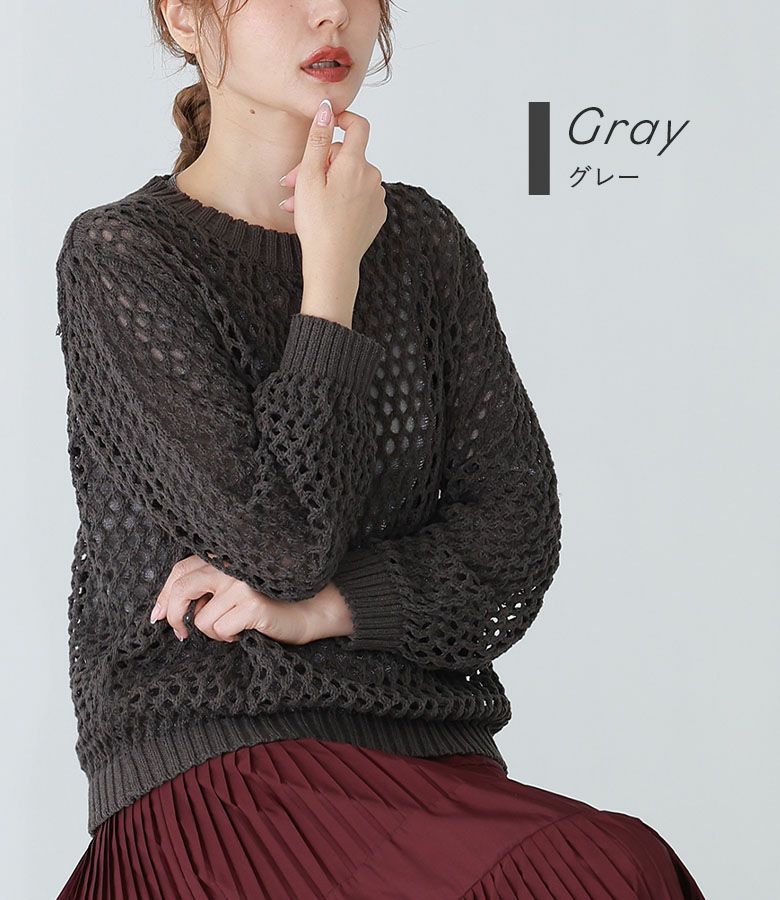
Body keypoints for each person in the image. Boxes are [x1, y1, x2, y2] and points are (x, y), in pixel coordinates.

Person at [55, 1, 706, 897]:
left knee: (615, 866)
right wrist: (331, 276)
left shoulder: (425, 245)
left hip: (429, 753)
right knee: (599, 871)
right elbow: (281, 542)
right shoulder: (126, 259)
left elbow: (514, 537)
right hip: (226, 772)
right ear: (182, 16)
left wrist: (329, 608)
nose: (332, 12)